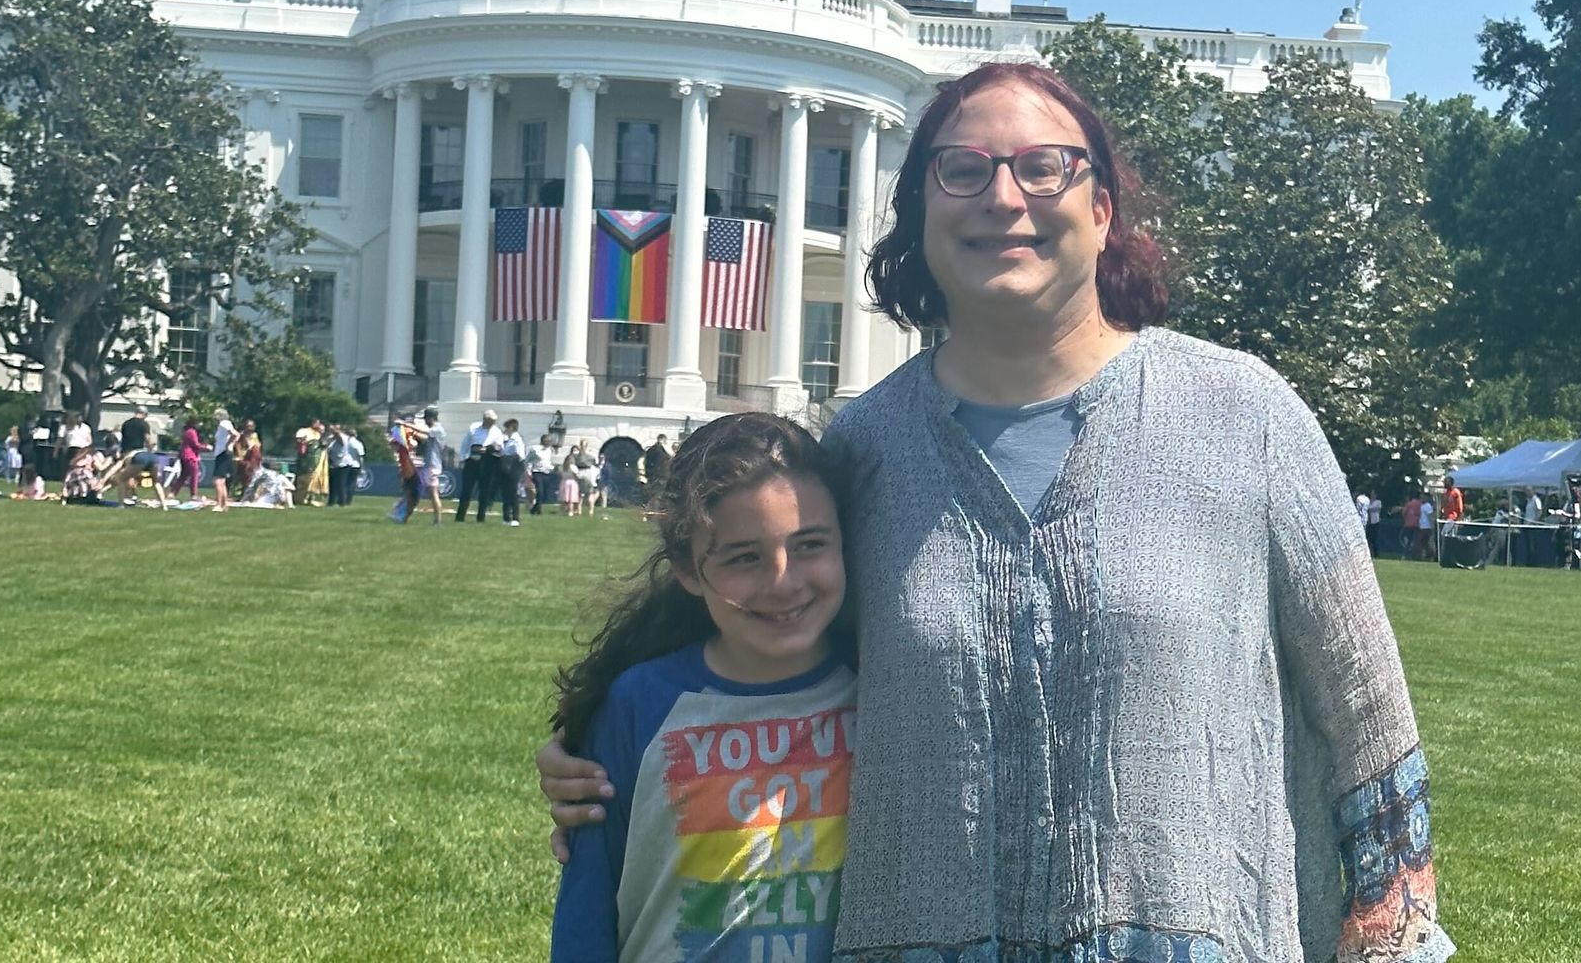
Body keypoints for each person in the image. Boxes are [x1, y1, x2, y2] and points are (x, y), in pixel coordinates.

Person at [540, 62, 1451, 962]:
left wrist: (1390, 943)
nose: (1003, 197)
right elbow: (754, 635)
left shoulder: (1243, 415)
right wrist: (601, 760)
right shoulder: (865, 450)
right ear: (921, 216)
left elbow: (1366, 714)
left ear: (1102, 213)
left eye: (1045, 166)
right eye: (963, 170)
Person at [549, 413, 855, 963]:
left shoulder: (881, 691)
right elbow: (588, 901)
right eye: (744, 557)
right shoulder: (640, 701)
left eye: (810, 545)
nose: (783, 582)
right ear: (689, 571)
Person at [457, 410, 504, 523]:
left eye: (493, 421)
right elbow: (466, 443)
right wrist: (463, 458)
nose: (492, 423)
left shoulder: (496, 432)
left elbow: (500, 448)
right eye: (490, 421)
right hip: (472, 461)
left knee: (485, 491)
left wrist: (489, 449)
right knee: (466, 490)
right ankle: (460, 517)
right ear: (484, 419)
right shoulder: (473, 428)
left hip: (487, 463)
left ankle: (481, 517)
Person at [388, 414, 428, 524]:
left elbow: (425, 437)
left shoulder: (412, 434)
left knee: (411, 494)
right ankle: (398, 514)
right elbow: (394, 444)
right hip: (411, 467)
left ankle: (401, 516)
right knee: (413, 493)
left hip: (412, 467)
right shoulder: (400, 436)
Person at [419, 406, 448, 525]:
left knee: (433, 493)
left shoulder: (437, 429)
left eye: (426, 419)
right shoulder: (435, 430)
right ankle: (437, 519)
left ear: (431, 418)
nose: (425, 422)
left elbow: (424, 433)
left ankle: (438, 520)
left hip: (433, 464)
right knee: (431, 493)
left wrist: (406, 426)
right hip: (430, 464)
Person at [326, 423, 364, 507]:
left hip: (343, 464)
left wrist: (334, 429)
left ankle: (342, 502)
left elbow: (339, 437)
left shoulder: (344, 438)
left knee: (340, 483)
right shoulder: (331, 438)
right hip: (333, 463)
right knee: (332, 484)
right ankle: (331, 501)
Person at [172, 416, 208, 502]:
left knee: (183, 476)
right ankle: (194, 495)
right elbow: (195, 444)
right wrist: (206, 447)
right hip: (190, 456)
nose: (200, 425)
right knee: (194, 475)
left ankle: (172, 493)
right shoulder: (192, 432)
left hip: (184, 455)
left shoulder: (186, 432)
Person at [209, 409, 238, 513]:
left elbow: (235, 434)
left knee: (217, 480)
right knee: (222, 481)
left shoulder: (224, 423)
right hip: (224, 453)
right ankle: (224, 504)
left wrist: (228, 444)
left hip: (223, 454)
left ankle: (219, 504)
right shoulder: (224, 424)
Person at [499, 418, 526, 527]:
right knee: (505, 492)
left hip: (514, 466)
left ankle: (515, 517)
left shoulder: (517, 439)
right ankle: (506, 517)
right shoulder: (505, 439)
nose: (505, 430)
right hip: (505, 465)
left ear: (511, 428)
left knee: (513, 492)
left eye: (506, 428)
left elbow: (520, 455)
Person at [292, 420, 325, 507]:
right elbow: (299, 443)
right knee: (302, 479)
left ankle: (310, 498)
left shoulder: (318, 434)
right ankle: (299, 498)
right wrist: (302, 441)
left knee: (313, 480)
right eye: (317, 423)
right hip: (305, 459)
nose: (318, 425)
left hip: (316, 460)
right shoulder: (303, 431)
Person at [527, 432, 558, 515]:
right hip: (537, 472)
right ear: (542, 441)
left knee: (544, 493)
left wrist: (553, 468)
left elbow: (548, 462)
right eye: (547, 441)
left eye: (550, 441)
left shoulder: (550, 450)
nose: (549, 442)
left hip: (547, 473)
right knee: (540, 491)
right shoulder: (535, 449)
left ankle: (534, 509)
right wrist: (528, 472)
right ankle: (538, 509)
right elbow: (528, 460)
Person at [1401, 493, 1423, 559]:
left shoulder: (1409, 504)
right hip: (1416, 524)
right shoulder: (1420, 504)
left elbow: (1404, 512)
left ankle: (1405, 554)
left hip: (1408, 524)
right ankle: (1414, 555)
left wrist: (1406, 519)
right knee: (1416, 541)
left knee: (1408, 540)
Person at [1417, 492, 1437, 560]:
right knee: (1424, 542)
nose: (1422, 498)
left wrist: (1432, 525)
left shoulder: (1427, 506)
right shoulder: (1423, 505)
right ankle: (1429, 554)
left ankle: (1431, 554)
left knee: (1424, 541)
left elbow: (1430, 516)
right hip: (1423, 526)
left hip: (1427, 527)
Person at [1367, 493, 1383, 557]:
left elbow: (1376, 508)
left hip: (1375, 521)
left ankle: (1376, 554)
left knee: (1374, 539)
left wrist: (1369, 509)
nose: (1372, 495)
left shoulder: (1378, 502)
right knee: (1368, 538)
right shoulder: (1368, 501)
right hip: (1369, 522)